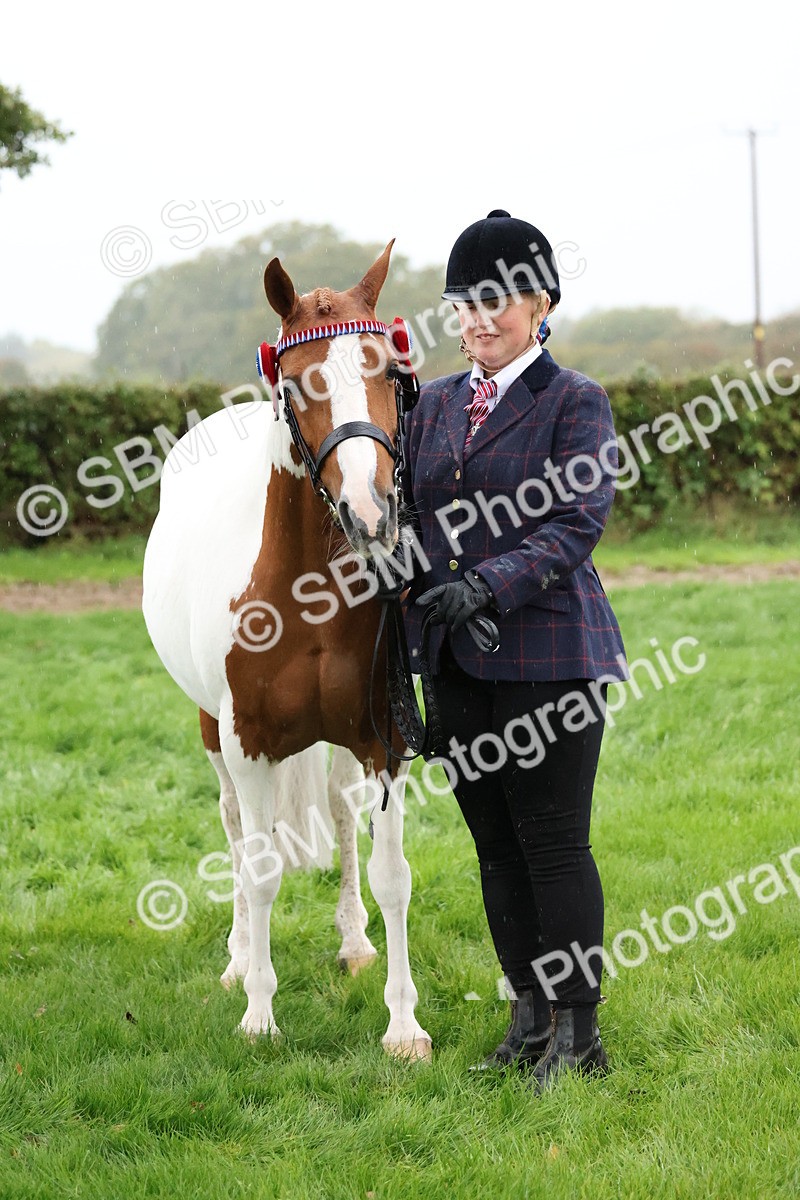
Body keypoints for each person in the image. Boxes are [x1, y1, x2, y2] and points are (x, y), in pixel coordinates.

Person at [399, 210, 629, 1093]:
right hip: (455, 663)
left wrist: (487, 583)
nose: (479, 319)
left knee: (553, 847)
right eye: (464, 303)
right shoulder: (438, 406)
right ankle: (527, 1021)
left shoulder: (575, 400)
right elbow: (413, 521)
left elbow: (576, 522)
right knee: (494, 848)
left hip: (550, 656)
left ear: (542, 305)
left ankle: (581, 1037)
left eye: (499, 301)